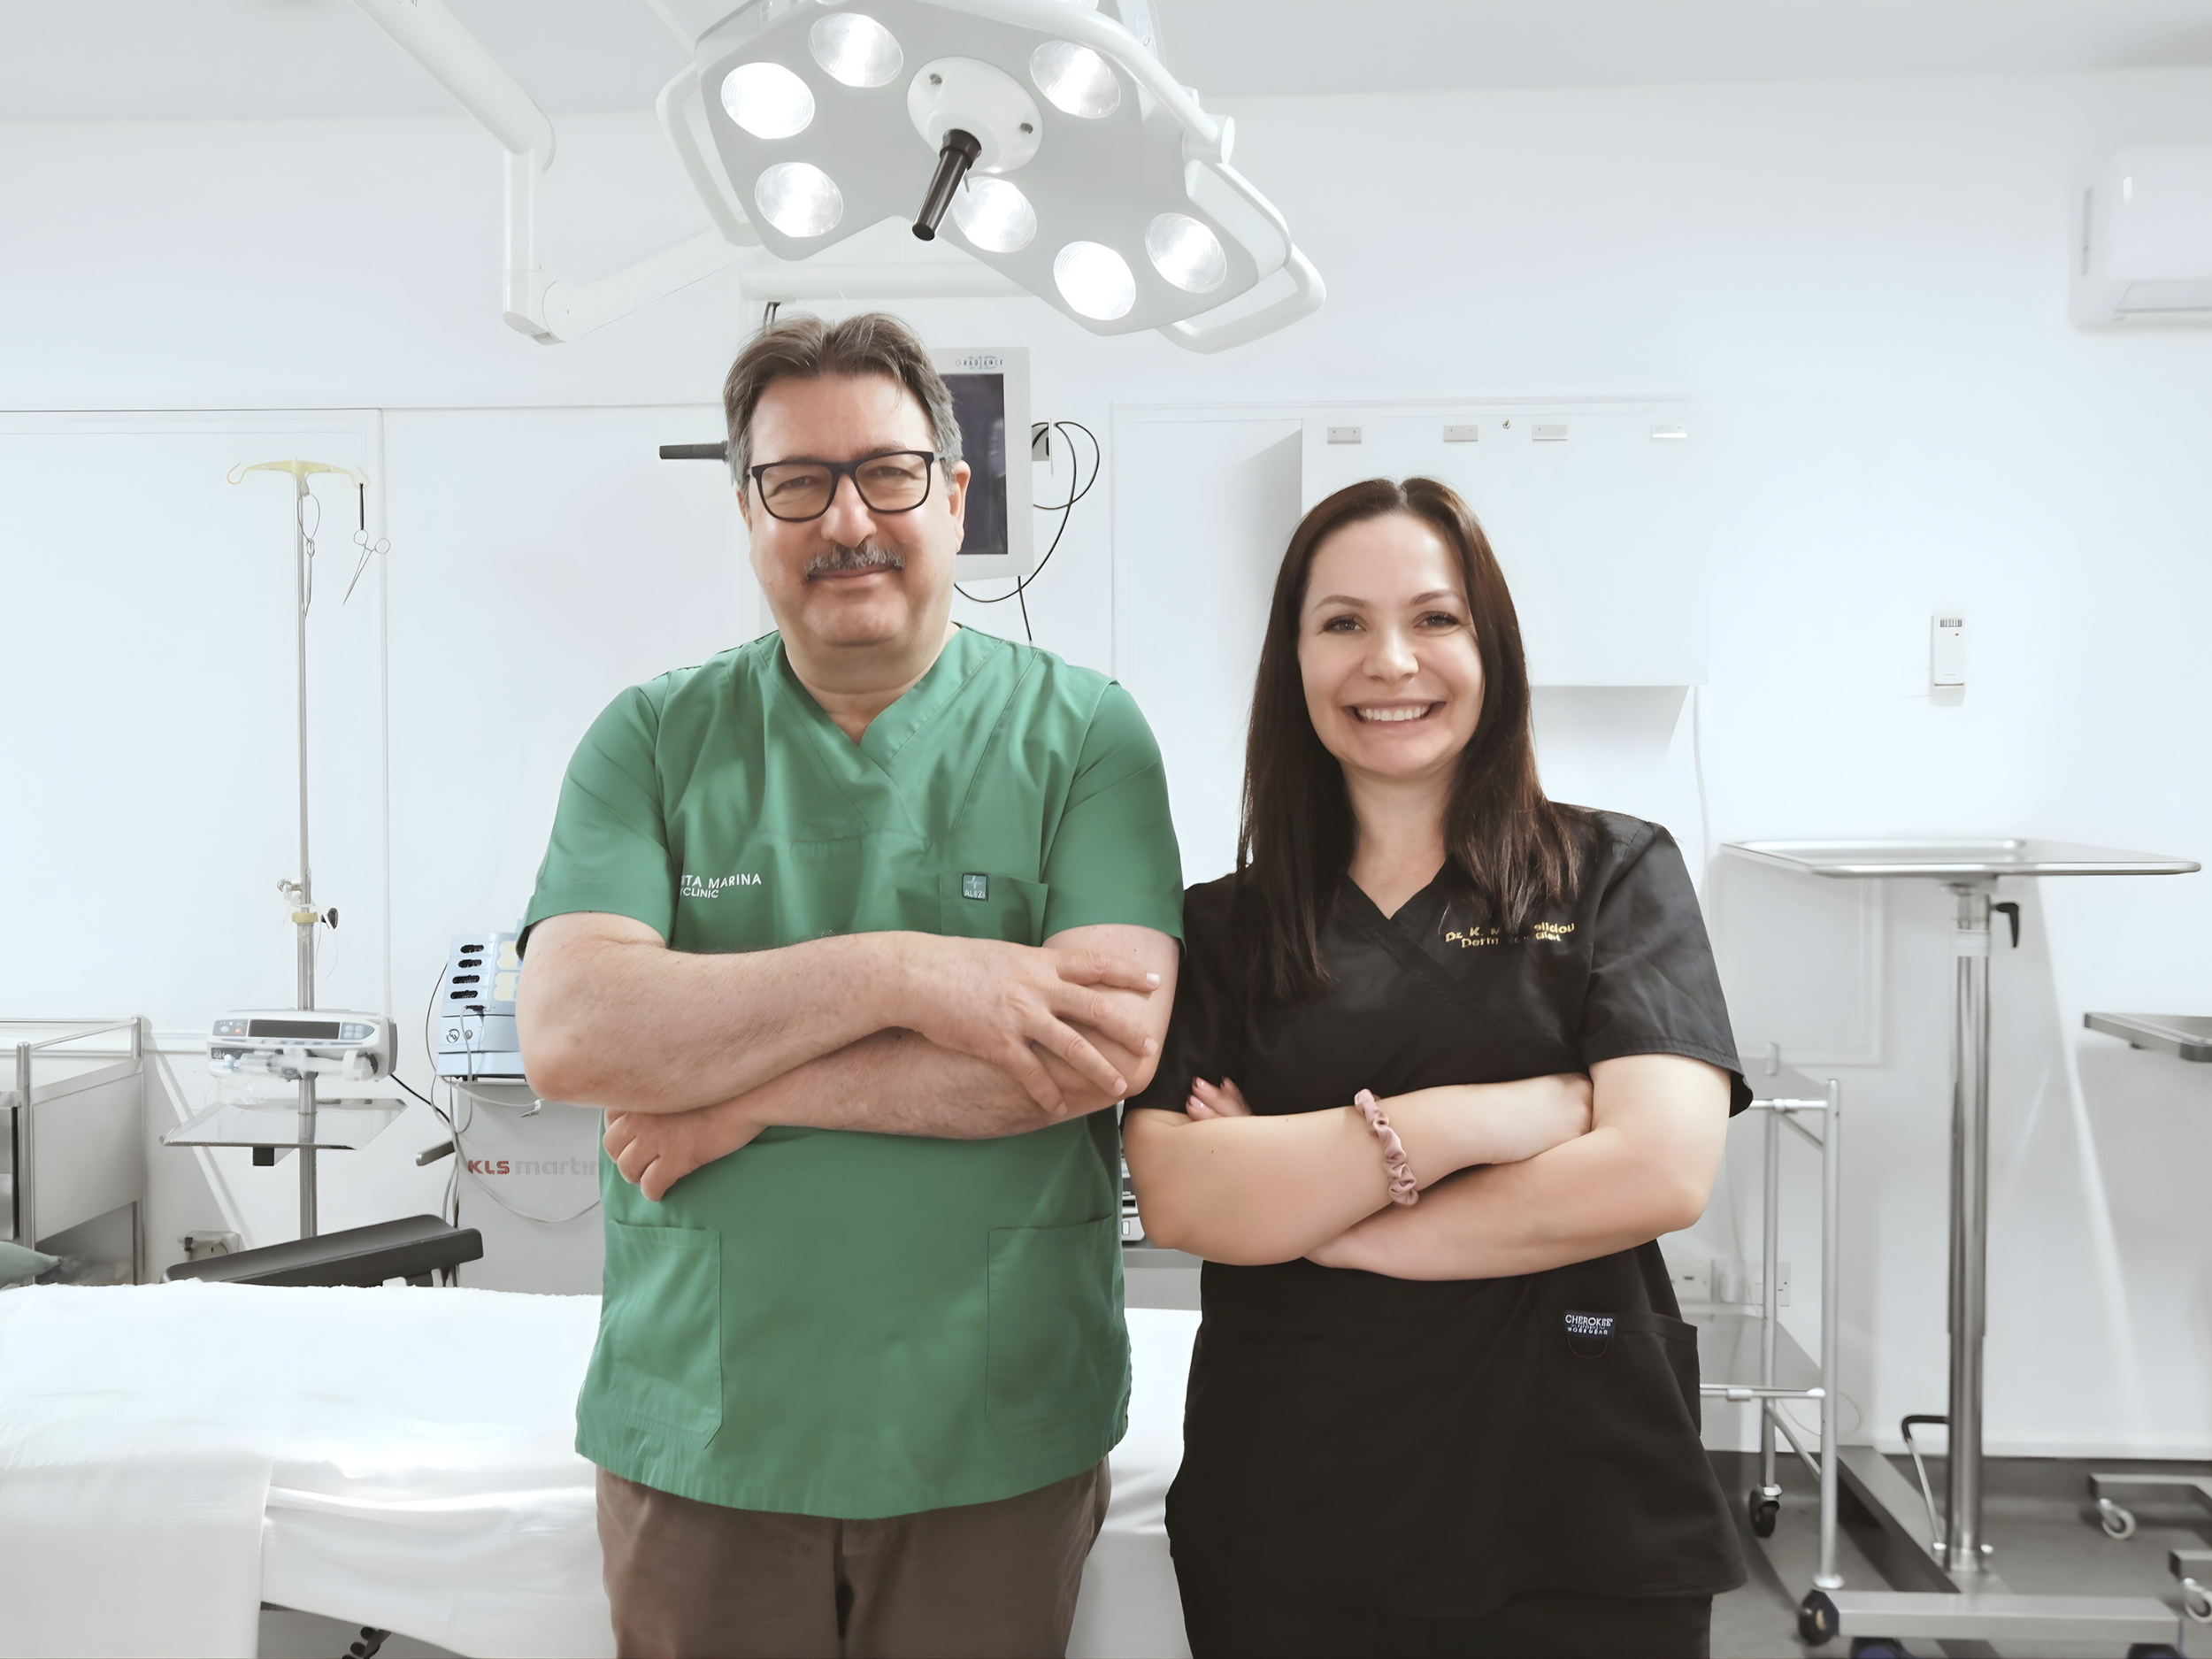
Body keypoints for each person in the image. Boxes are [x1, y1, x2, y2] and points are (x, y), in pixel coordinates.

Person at [514, 312, 1184, 1659]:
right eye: (796, 482)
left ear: (953, 489)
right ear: (748, 508)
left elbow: (1094, 1047)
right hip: (706, 1424)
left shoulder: (1084, 735)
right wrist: (912, 970)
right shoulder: (652, 739)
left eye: (887, 472)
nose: (847, 519)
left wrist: (738, 1096)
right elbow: (576, 1031)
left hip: (989, 1427)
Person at [1122, 476, 1752, 1659]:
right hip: (1300, 1509)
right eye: (1343, 622)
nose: (1391, 660)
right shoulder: (1225, 927)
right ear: (1294, 660)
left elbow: (1659, 1170)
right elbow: (1182, 1192)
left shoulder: (1613, 873)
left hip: (1577, 1505)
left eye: (1436, 617)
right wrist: (1488, 1119)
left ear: (1491, 647)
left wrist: (1326, 1216)